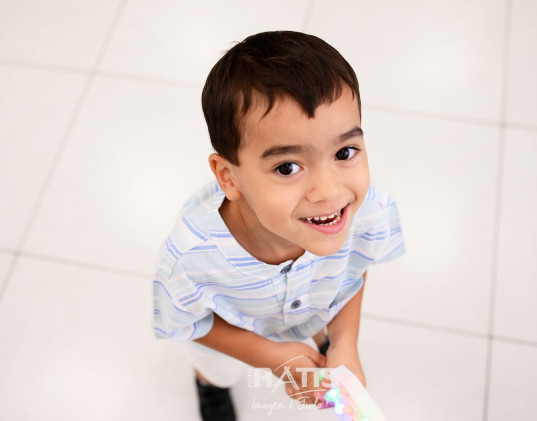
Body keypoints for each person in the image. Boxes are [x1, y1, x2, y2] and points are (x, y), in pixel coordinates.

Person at [152, 30, 404, 421]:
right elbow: (189, 321)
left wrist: (344, 341)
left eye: (344, 152)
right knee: (217, 369)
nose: (329, 191)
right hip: (231, 332)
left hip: (314, 310)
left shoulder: (366, 210)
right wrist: (271, 356)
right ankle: (209, 384)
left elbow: (353, 272)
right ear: (229, 177)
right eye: (287, 167)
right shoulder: (190, 257)